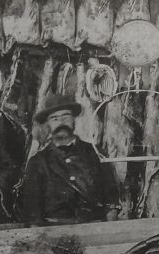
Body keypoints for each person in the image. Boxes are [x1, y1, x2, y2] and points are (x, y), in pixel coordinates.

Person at [18, 94, 121, 225]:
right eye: (54, 118)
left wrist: (110, 227)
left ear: (74, 118)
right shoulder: (38, 161)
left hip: (93, 226)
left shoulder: (94, 153)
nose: (61, 122)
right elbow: (32, 210)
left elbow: (111, 197)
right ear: (47, 123)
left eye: (66, 116)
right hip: (55, 230)